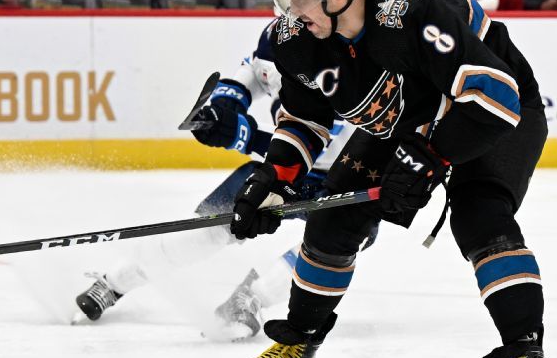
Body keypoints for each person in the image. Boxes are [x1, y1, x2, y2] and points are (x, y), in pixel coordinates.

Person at [229, 0, 557, 358]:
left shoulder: (410, 12)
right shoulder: (297, 36)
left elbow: (496, 97)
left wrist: (431, 155)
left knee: (480, 217)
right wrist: (273, 177)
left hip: (488, 110)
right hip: (407, 119)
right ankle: (298, 341)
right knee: (333, 218)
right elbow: (304, 120)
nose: (290, 12)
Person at [75, 44, 368, 340]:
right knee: (206, 230)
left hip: (345, 176)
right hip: (276, 173)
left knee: (340, 240)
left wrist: (242, 133)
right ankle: (113, 283)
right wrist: (224, 110)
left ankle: (249, 301)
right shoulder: (278, 35)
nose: (292, 9)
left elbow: (325, 140)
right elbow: (250, 75)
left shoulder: (346, 47)